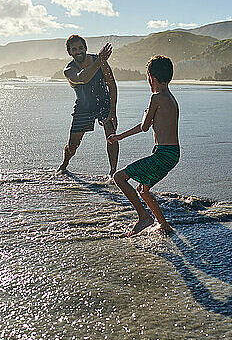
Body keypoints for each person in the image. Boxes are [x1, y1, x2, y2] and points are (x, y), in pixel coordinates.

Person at [108, 56, 180, 237]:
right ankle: (163, 224)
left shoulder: (156, 98)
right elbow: (147, 126)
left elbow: (144, 126)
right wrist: (119, 137)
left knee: (119, 177)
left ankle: (144, 218)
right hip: (172, 153)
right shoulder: (171, 98)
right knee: (143, 190)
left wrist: (145, 113)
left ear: (150, 77)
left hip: (164, 154)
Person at [57, 34, 119, 177]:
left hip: (104, 103)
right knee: (73, 145)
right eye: (74, 49)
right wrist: (100, 60)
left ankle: (113, 173)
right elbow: (83, 78)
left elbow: (112, 85)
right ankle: (64, 165)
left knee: (111, 135)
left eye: (80, 48)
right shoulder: (69, 70)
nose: (78, 51)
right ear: (69, 52)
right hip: (83, 107)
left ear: (85, 48)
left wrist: (113, 111)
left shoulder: (99, 60)